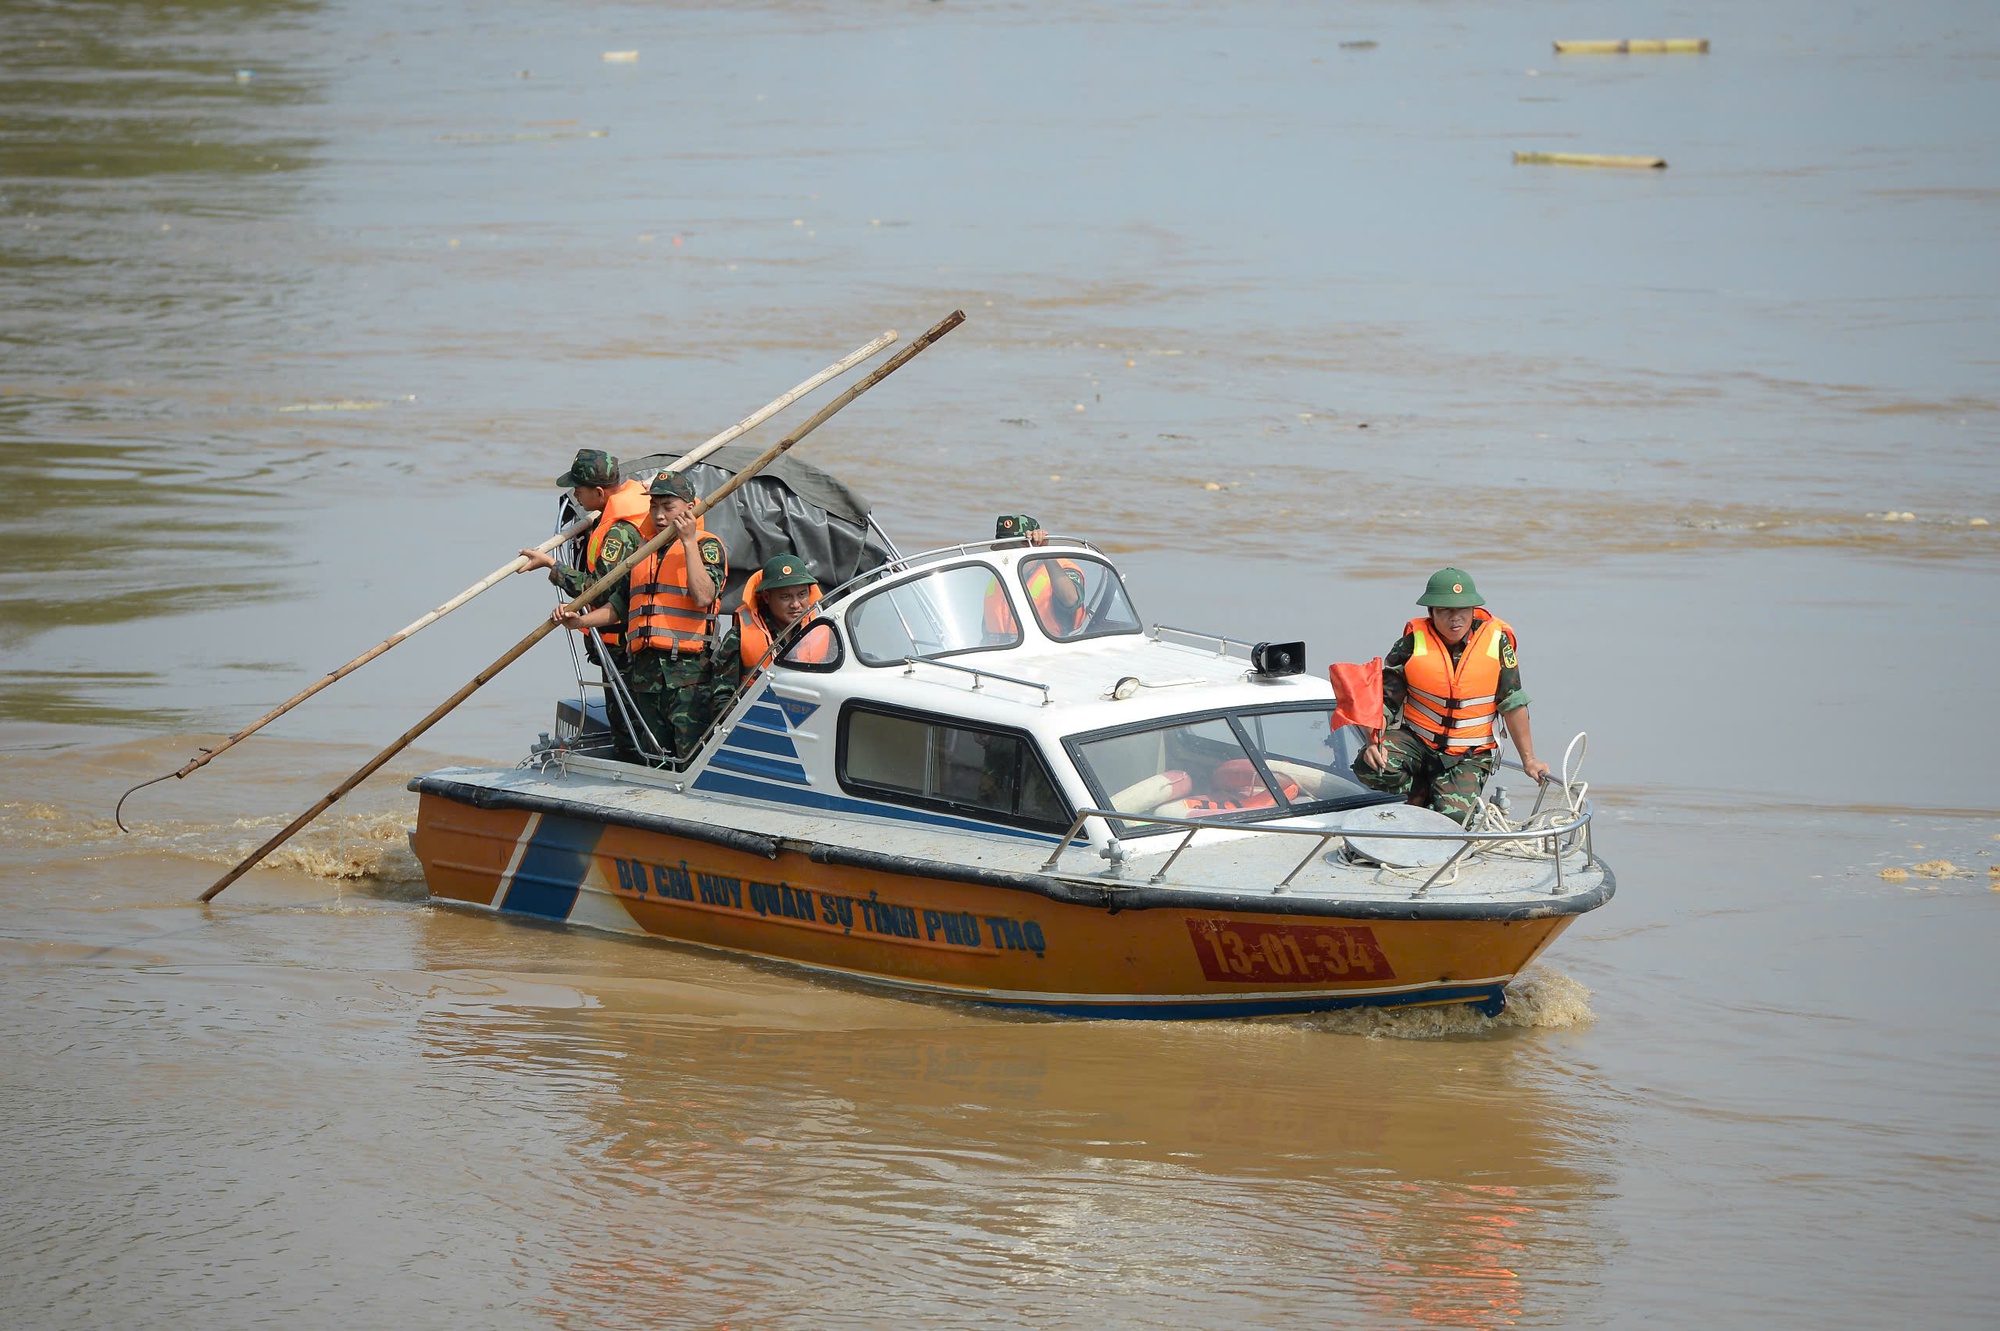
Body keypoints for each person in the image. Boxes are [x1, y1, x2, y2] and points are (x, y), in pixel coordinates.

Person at [551, 472, 728, 761]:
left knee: (691, 757)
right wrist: (580, 621)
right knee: (652, 758)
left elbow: (704, 596)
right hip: (645, 677)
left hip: (688, 677)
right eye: (654, 507)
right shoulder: (643, 553)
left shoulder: (706, 547)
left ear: (690, 507)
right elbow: (620, 607)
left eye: (668, 508)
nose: (659, 516)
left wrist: (687, 541)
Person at [1353, 567, 1549, 826]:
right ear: (1431, 612)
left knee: (1451, 819)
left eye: (1462, 609)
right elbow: (1386, 700)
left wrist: (1529, 760)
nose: (1455, 618)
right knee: (1369, 767)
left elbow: (1512, 703)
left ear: (1472, 610)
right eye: (1445, 609)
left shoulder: (1497, 642)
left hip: (1469, 753)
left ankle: (1436, 795)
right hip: (1418, 742)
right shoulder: (1411, 642)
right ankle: (1420, 790)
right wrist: (1373, 741)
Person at [518, 449, 652, 654]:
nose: (576, 496)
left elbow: (598, 590)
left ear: (599, 492)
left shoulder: (620, 532)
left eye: (578, 490)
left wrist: (550, 564)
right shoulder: (618, 513)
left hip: (622, 644)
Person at [984, 514, 1087, 639]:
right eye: (1002, 550)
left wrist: (1044, 552)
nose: (1007, 556)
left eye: (1014, 549)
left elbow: (1070, 599)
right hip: (999, 655)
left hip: (1047, 654)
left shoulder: (1062, 569)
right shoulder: (997, 577)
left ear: (1033, 547)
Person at [735, 552, 827, 681]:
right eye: (785, 597)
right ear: (767, 597)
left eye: (802, 594)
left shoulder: (826, 629)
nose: (795, 605)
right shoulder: (739, 636)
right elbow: (722, 695)